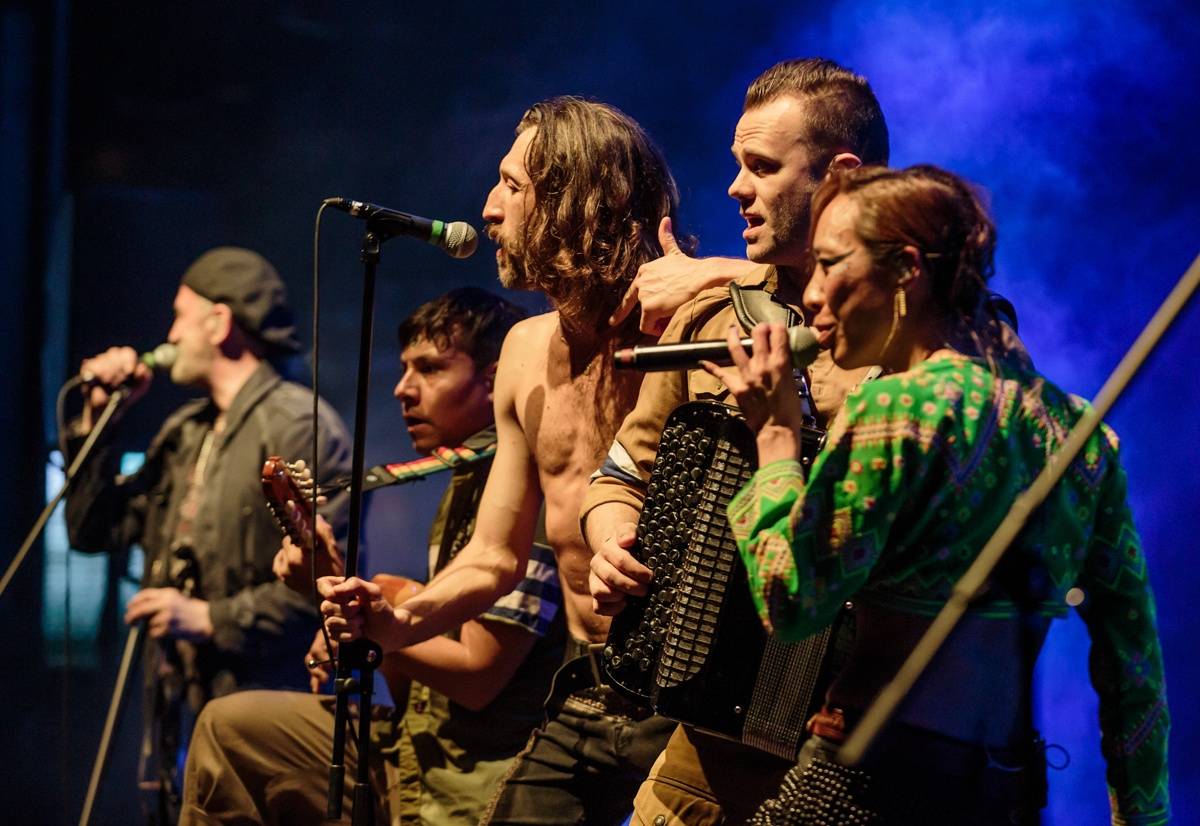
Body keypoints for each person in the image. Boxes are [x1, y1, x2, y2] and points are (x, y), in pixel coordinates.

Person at [710, 163, 1169, 824]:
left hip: (868, 782)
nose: (810, 294)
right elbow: (1134, 666)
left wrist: (777, 435)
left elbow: (792, 602)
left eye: (830, 264)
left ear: (906, 270)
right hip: (1004, 795)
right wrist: (1142, 816)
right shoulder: (1082, 439)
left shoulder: (896, 410)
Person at [319, 96, 689, 825]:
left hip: (682, 699)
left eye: (512, 187)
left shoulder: (679, 334)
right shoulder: (522, 351)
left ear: (579, 201)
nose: (489, 209)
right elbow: (495, 556)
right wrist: (399, 621)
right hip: (587, 686)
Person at [582, 58, 895, 823]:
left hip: (856, 770)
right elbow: (620, 475)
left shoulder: (920, 340)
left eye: (762, 166)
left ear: (843, 176)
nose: (735, 188)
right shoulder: (712, 318)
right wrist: (613, 541)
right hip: (702, 754)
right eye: (737, 164)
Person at [179, 287, 567, 825]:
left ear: (494, 380)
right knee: (230, 728)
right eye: (405, 369)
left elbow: (477, 679)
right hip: (421, 742)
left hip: (473, 774)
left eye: (429, 369)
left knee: (232, 728)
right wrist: (346, 598)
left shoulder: (530, 496)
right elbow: (413, 675)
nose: (402, 389)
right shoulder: (464, 485)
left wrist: (374, 631)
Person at [63, 246, 353, 822]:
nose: (170, 333)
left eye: (180, 315)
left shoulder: (300, 426)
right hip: (177, 715)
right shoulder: (185, 431)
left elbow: (329, 589)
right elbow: (92, 530)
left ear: (219, 322)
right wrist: (98, 419)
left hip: (261, 722)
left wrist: (207, 618)